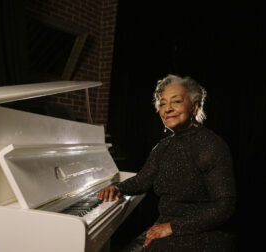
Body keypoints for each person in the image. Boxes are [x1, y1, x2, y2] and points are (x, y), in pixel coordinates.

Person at [98, 74, 236, 251]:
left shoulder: (211, 145)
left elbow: (224, 206)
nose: (167, 108)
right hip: (166, 226)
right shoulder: (162, 147)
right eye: (163, 104)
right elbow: (142, 180)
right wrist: (118, 188)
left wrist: (173, 228)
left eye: (176, 101)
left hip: (201, 233)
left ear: (194, 108)